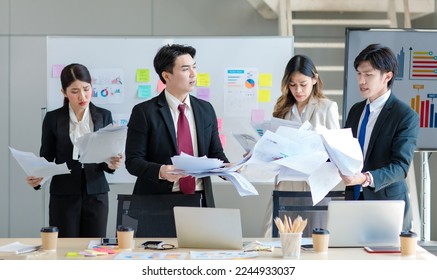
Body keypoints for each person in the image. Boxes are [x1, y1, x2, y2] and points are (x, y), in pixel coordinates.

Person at [125, 44, 229, 208]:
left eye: (194, 67)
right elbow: (133, 161)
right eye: (185, 69)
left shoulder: (206, 109)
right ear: (167, 76)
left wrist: (230, 169)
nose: (193, 74)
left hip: (200, 199)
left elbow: (215, 153)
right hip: (157, 202)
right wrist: (161, 171)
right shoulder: (145, 112)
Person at [26, 63, 123, 237]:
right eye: (75, 91)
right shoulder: (53, 118)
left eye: (86, 89)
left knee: (94, 250)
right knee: (65, 249)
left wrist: (113, 163)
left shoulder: (104, 115)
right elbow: (46, 158)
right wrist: (38, 178)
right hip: (63, 195)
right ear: (64, 92)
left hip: (97, 194)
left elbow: (106, 159)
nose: (83, 96)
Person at [340, 44, 420, 231]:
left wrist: (364, 178)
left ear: (387, 76)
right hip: (353, 199)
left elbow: (400, 167)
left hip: (386, 205)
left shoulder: (405, 116)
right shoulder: (356, 110)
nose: (361, 81)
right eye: (359, 74)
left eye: (369, 75)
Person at [263, 54, 340, 237]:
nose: (298, 90)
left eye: (303, 84)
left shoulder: (327, 107)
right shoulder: (282, 109)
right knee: (280, 238)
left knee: (313, 240)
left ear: (314, 79)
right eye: (292, 84)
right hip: (285, 183)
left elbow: (337, 151)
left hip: (313, 185)